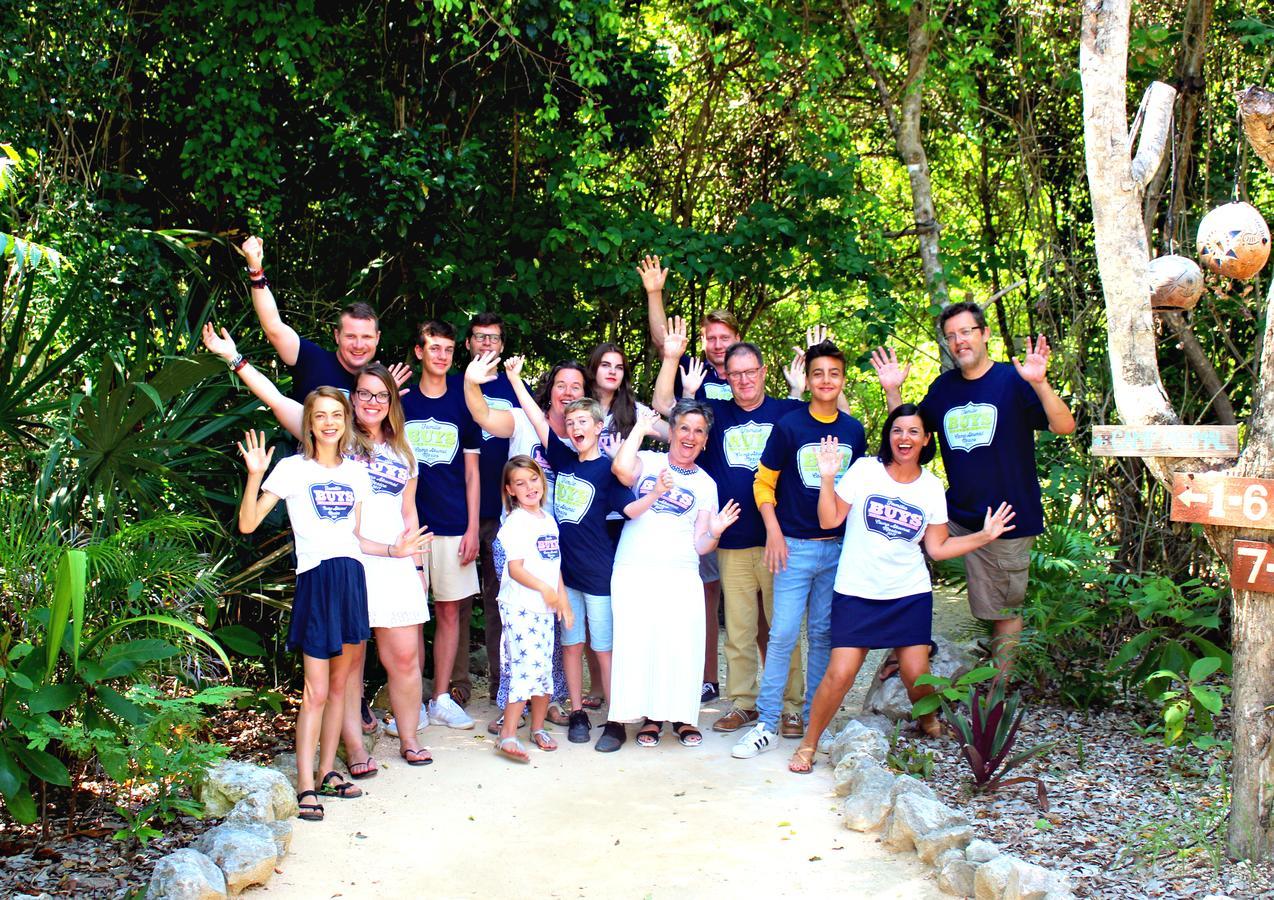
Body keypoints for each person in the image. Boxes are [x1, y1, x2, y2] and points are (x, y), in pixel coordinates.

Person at [203, 325, 434, 769]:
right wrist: (235, 358)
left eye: (380, 396)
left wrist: (418, 565)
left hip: (396, 559)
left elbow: (409, 512)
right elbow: (277, 399)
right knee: (349, 664)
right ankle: (355, 749)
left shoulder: (405, 452)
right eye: (362, 395)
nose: (370, 403)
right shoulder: (337, 438)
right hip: (347, 560)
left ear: (391, 402)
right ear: (350, 401)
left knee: (404, 657)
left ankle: (409, 738)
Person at [235, 390, 430, 821]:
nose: (328, 422)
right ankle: (305, 783)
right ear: (309, 422)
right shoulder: (291, 469)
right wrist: (255, 475)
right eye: (320, 415)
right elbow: (248, 523)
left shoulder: (357, 473)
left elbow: (356, 538)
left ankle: (327, 772)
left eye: (336, 415)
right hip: (317, 580)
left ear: (345, 421)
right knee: (316, 691)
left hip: (352, 579)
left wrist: (395, 552)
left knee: (342, 688)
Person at [786, 407, 1016, 773]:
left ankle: (928, 721)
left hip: (908, 594)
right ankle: (809, 745)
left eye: (913, 431)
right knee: (841, 673)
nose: (904, 438)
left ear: (926, 439)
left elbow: (937, 548)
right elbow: (829, 520)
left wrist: (984, 536)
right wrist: (828, 478)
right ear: (888, 436)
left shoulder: (930, 487)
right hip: (857, 591)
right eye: (897, 430)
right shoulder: (864, 470)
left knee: (915, 673)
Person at [871, 301, 1075, 669]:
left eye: (966, 332)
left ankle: (996, 700)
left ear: (984, 335)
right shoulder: (944, 388)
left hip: (1005, 518)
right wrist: (893, 392)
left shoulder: (1013, 381)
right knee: (895, 543)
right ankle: (903, 653)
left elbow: (1064, 426)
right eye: (951, 336)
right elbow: (907, 440)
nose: (958, 341)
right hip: (955, 511)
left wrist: (1040, 383)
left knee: (1001, 610)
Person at [652, 319, 806, 736]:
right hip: (733, 539)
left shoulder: (789, 412)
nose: (743, 380)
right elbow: (665, 404)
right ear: (727, 376)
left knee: (783, 628)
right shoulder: (714, 415)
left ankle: (791, 707)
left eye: (750, 372)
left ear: (762, 373)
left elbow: (838, 422)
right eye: (734, 374)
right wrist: (670, 356)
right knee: (738, 630)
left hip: (780, 539)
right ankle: (743, 702)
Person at [733, 341, 867, 759]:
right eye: (818, 373)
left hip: (836, 551)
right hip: (792, 547)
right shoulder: (790, 426)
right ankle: (768, 723)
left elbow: (856, 490)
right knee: (783, 633)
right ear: (807, 380)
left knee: (824, 635)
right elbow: (763, 483)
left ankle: (815, 721)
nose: (826, 380)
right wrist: (773, 531)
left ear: (843, 380)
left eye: (834, 373)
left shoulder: (853, 430)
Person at [462, 355, 587, 727]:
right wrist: (471, 382)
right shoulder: (521, 420)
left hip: (556, 538)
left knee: (552, 626)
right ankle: (509, 703)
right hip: (518, 539)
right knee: (514, 627)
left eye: (576, 386)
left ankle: (547, 701)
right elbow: (483, 414)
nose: (567, 392)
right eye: (561, 384)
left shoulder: (582, 433)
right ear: (550, 389)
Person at [609, 402, 741, 749]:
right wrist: (640, 427)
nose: (690, 436)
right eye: (684, 428)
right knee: (642, 642)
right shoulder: (649, 462)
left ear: (706, 441)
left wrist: (714, 531)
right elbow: (621, 469)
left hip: (680, 573)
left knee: (680, 645)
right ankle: (651, 717)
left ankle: (682, 717)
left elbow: (701, 546)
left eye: (699, 431)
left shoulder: (706, 483)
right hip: (634, 568)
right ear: (672, 431)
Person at [400, 320, 481, 730]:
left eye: (449, 349)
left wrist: (471, 527)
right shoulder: (402, 402)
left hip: (452, 523)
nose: (442, 355)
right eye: (434, 348)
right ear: (419, 351)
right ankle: (411, 702)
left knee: (450, 612)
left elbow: (471, 472)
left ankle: (441, 698)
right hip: (408, 527)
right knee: (413, 614)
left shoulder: (464, 402)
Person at [235, 235, 408, 398]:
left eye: (366, 337)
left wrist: (386, 399)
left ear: (377, 338)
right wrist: (255, 271)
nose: (358, 345)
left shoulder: (380, 386)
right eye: (350, 336)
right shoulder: (313, 360)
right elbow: (273, 326)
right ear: (336, 336)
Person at [492, 456, 575, 762]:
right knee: (524, 669)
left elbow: (554, 566)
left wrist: (561, 598)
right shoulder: (515, 522)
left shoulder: (547, 519)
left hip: (545, 609)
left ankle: (538, 728)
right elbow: (515, 569)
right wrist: (544, 590)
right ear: (510, 490)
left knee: (543, 669)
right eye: (520, 483)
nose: (529, 487)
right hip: (521, 608)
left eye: (533, 479)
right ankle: (508, 734)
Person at [463, 312, 522, 707]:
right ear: (468, 344)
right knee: (458, 601)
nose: (486, 344)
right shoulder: (455, 386)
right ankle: (455, 686)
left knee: (501, 598)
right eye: (480, 338)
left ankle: (506, 685)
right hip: (460, 510)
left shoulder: (515, 388)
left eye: (494, 339)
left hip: (505, 513)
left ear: (502, 346)